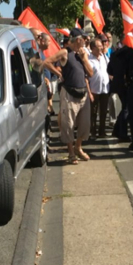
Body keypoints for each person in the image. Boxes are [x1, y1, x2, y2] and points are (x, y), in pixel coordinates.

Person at [43, 28, 93, 164]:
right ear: (78, 40)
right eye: (84, 39)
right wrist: (59, 74)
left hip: (83, 94)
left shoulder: (82, 54)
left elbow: (91, 73)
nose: (86, 41)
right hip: (69, 93)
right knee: (68, 124)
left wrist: (84, 59)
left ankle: (78, 147)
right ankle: (71, 152)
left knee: (85, 124)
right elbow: (47, 62)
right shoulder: (65, 52)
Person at [108, 36, 133, 141]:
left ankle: (117, 130)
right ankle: (122, 134)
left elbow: (109, 70)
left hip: (117, 84)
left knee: (125, 107)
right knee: (126, 109)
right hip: (127, 84)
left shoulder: (115, 54)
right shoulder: (130, 54)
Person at [88, 37, 110, 138]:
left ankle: (102, 131)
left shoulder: (105, 57)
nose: (101, 48)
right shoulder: (88, 59)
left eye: (102, 46)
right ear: (92, 48)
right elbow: (86, 77)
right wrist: (89, 92)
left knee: (103, 111)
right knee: (93, 112)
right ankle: (93, 131)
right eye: (99, 46)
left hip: (105, 89)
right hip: (94, 90)